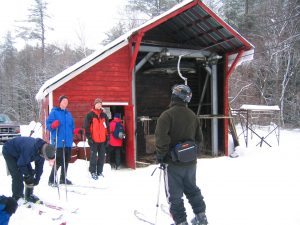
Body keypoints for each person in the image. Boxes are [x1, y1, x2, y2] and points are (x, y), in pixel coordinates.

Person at [155, 84, 208, 225]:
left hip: (173, 164)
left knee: (174, 196)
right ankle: (201, 216)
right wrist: (190, 152)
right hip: (190, 163)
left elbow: (161, 138)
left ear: (174, 96)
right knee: (192, 189)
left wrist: (161, 155)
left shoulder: (166, 115)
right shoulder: (193, 116)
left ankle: (180, 222)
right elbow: (199, 139)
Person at [2, 137, 56, 203]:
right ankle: (17, 197)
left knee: (30, 173)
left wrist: (37, 178)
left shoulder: (42, 152)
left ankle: (29, 195)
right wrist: (27, 175)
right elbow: (21, 164)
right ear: (43, 153)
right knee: (17, 175)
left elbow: (39, 167)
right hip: (9, 151)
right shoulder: (30, 148)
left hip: (21, 154)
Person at [46, 95, 75, 186]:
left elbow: (72, 126)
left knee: (66, 160)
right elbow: (48, 125)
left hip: (68, 142)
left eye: (66, 101)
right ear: (60, 102)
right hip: (59, 141)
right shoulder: (54, 113)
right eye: (63, 101)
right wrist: (53, 125)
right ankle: (51, 180)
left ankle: (63, 178)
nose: (65, 103)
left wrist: (75, 131)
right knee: (58, 161)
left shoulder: (68, 114)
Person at [83, 98, 109, 180]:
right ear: (94, 104)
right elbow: (86, 127)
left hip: (102, 141)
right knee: (93, 157)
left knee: (102, 157)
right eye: (97, 103)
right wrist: (89, 138)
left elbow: (107, 127)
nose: (99, 105)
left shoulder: (104, 115)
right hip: (93, 140)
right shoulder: (90, 115)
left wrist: (108, 137)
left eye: (100, 103)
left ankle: (99, 171)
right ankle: (93, 172)